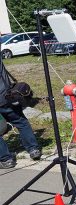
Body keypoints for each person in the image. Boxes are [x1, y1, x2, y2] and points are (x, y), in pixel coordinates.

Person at [0, 40, 41, 169]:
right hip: (7, 96)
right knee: (21, 122)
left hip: (4, 97)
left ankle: (6, 159)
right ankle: (33, 149)